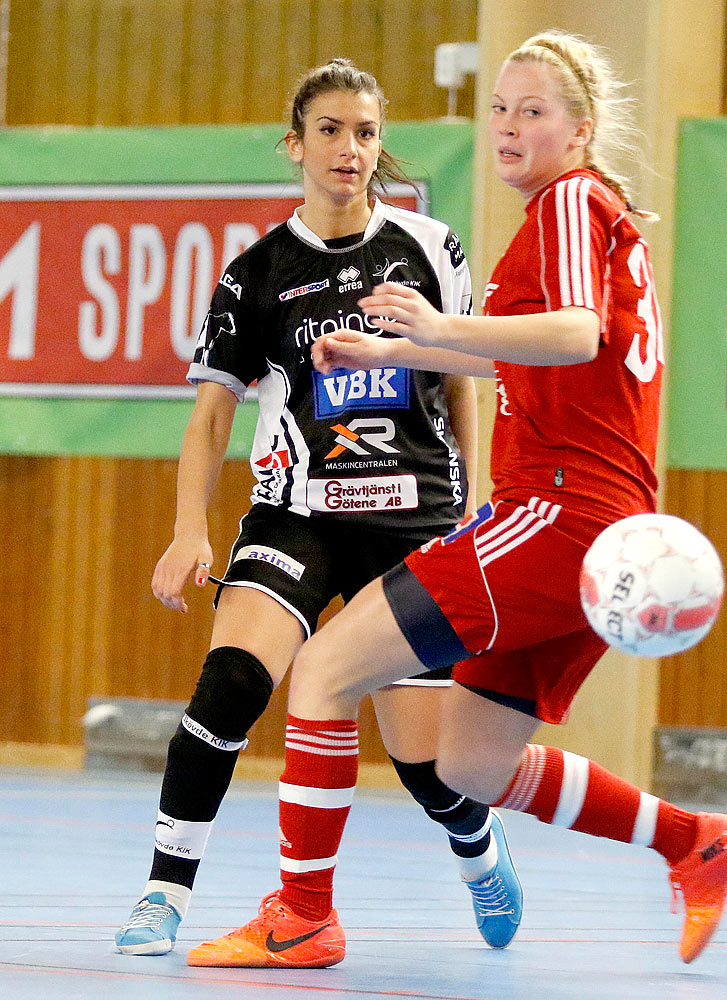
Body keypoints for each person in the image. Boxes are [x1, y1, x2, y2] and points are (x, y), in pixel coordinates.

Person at [185, 30, 727, 970]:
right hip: (604, 527)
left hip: (559, 508)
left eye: (534, 109)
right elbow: (537, 349)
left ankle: (303, 914)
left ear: (583, 128)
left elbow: (570, 334)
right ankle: (694, 840)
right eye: (499, 107)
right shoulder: (600, 214)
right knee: (471, 764)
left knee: (323, 672)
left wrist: (437, 322)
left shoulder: (570, 200)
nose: (509, 125)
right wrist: (398, 353)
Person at [113, 58, 523, 958]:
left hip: (414, 517)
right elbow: (211, 414)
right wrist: (191, 528)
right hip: (298, 513)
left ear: (381, 147)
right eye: (331, 130)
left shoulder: (429, 248)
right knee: (230, 686)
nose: (350, 148)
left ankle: (478, 849)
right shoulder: (255, 274)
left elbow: (465, 382)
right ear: (295, 144)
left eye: (367, 132)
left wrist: (474, 504)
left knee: (427, 765)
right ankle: (161, 895)